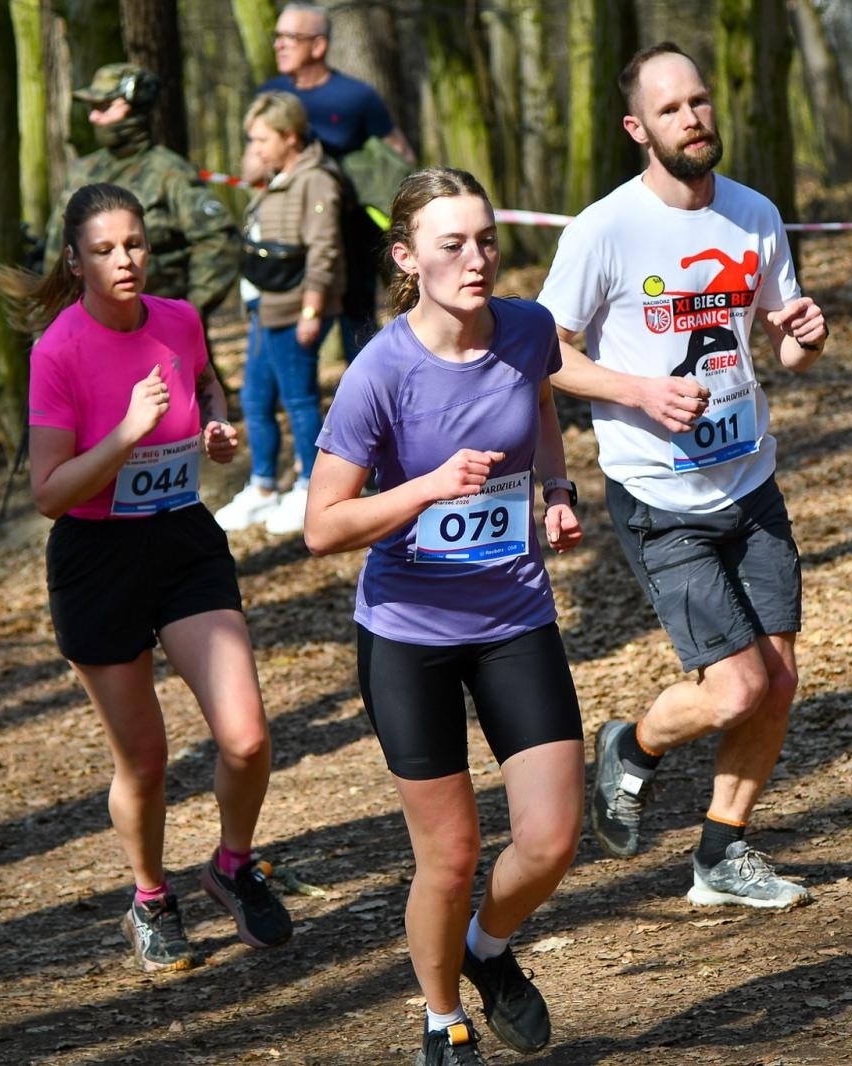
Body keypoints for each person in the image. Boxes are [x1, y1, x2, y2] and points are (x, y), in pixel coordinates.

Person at [304, 168, 584, 1066]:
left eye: (486, 239)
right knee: (452, 854)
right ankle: (440, 1016)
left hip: (514, 617)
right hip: (408, 635)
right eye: (452, 243)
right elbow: (322, 525)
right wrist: (425, 488)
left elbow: (539, 401)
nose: (476, 259)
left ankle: (486, 949)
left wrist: (555, 487)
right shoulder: (379, 372)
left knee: (549, 841)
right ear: (406, 256)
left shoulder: (528, 330)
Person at [537, 42, 827, 910]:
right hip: (660, 496)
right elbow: (544, 351)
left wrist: (803, 338)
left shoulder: (753, 214)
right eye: (670, 109)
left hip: (751, 478)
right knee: (734, 687)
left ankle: (721, 855)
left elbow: (781, 337)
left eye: (698, 101)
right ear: (638, 128)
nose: (693, 118)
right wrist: (638, 391)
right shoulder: (603, 229)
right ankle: (631, 745)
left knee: (776, 681)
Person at [12, 182, 291, 972]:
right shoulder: (58, 350)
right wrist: (128, 434)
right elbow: (48, 493)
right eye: (102, 250)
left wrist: (214, 424)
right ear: (75, 261)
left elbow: (201, 380)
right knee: (145, 759)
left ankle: (233, 866)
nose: (123, 260)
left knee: (246, 737)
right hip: (97, 558)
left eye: (132, 244)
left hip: (181, 540)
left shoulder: (178, 317)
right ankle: (148, 897)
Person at [214, 92, 344, 536]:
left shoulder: (317, 180)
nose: (255, 148)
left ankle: (314, 486)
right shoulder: (277, 179)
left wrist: (312, 309)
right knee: (254, 398)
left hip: (294, 309)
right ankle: (264, 485)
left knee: (300, 398)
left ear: (289, 136)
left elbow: (324, 250)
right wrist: (256, 177)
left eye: (261, 139)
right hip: (263, 308)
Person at [261, 1, 415, 361]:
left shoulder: (357, 97)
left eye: (290, 37)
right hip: (289, 242)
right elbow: (254, 162)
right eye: (277, 36)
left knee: (358, 321)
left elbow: (399, 155)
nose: (279, 44)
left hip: (355, 238)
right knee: (285, 343)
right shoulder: (269, 96)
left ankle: (377, 392)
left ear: (318, 45)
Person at [47, 64, 237, 332]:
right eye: (92, 108)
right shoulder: (82, 171)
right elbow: (57, 246)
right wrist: (53, 317)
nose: (94, 117)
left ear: (135, 107)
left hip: (157, 331)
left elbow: (219, 239)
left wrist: (189, 310)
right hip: (88, 329)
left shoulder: (169, 172)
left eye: (104, 106)